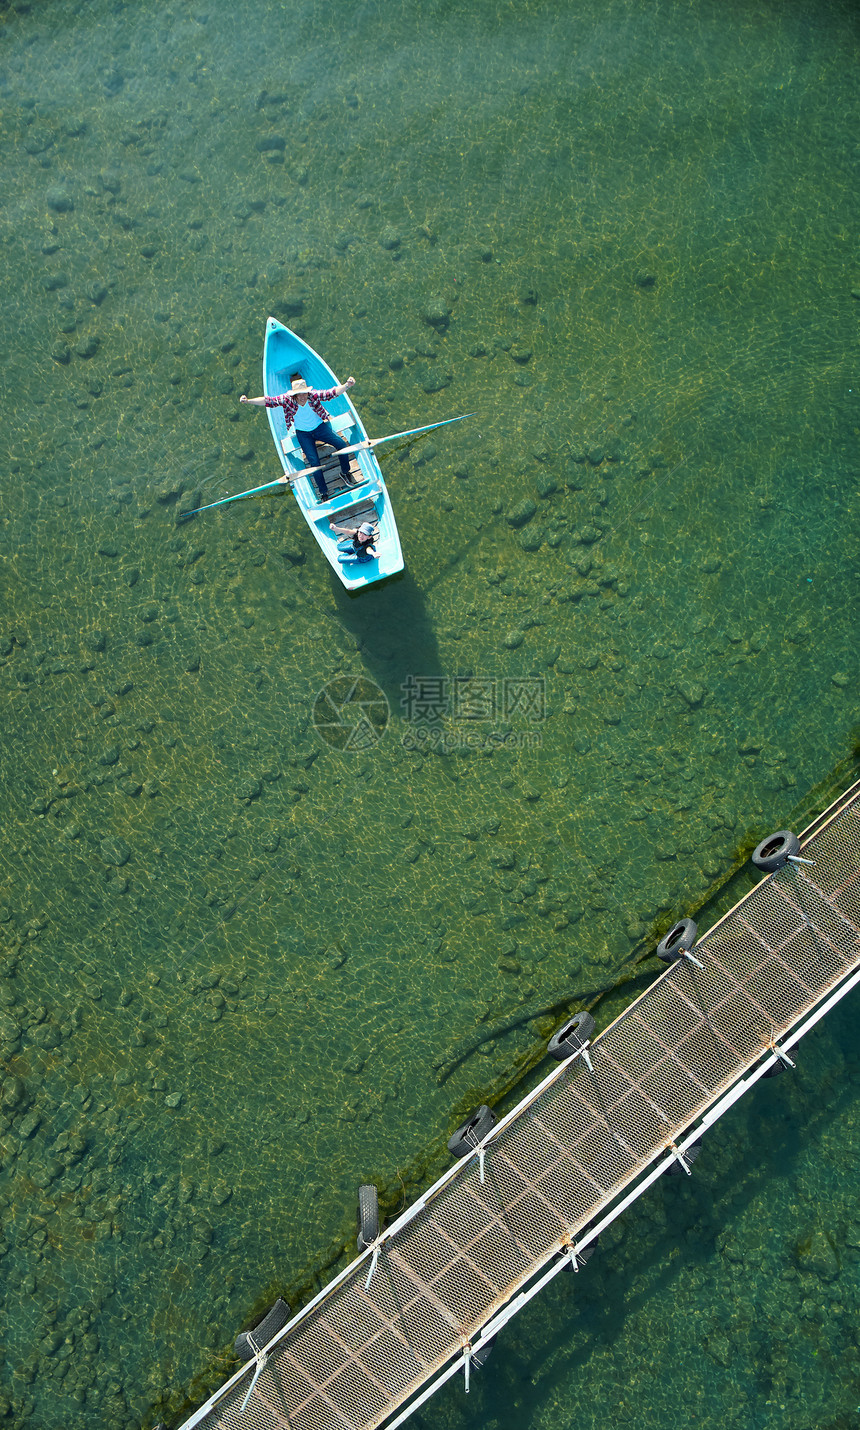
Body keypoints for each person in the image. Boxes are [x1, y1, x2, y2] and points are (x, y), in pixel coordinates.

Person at [239, 375, 357, 502]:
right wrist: (248, 401)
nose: (302, 397)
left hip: (319, 427)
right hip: (303, 433)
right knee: (314, 463)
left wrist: (347, 385)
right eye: (299, 395)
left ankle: (345, 473)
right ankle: (323, 492)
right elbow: (268, 401)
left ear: (307, 392)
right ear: (294, 395)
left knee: (342, 445)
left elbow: (331, 393)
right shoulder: (287, 399)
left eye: (304, 394)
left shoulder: (313, 395)